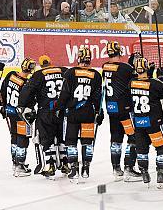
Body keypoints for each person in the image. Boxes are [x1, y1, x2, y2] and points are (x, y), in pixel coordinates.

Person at [18, 56, 68, 177]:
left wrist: (22, 105)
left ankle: (49, 165)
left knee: (46, 139)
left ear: (40, 65)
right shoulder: (63, 70)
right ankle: (65, 163)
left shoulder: (39, 74)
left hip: (46, 111)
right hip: (62, 111)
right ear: (51, 62)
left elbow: (27, 91)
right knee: (62, 138)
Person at [58, 46, 102, 181]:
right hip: (88, 113)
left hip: (72, 113)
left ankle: (74, 169)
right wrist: (99, 112)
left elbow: (64, 94)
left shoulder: (70, 73)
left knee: (71, 142)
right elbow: (98, 97)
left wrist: (59, 107)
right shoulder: (96, 75)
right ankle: (86, 168)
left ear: (79, 58)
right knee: (87, 142)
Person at [100, 42, 141, 180]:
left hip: (112, 109)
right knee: (133, 137)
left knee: (116, 139)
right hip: (125, 110)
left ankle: (116, 168)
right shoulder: (126, 68)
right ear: (119, 52)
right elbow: (136, 81)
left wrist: (130, 63)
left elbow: (120, 73)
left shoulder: (105, 66)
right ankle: (129, 168)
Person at [129, 55, 163, 186]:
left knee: (142, 149)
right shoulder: (155, 83)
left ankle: (144, 172)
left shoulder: (130, 82)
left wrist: (152, 75)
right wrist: (162, 77)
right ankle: (161, 175)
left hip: (139, 121)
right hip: (153, 121)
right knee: (162, 148)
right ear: (147, 68)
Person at [0, 57, 36, 177]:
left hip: (10, 111)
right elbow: (28, 100)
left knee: (14, 137)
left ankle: (15, 163)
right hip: (21, 114)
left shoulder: (11, 75)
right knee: (22, 139)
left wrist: (3, 106)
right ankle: (20, 165)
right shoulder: (27, 83)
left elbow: (2, 92)